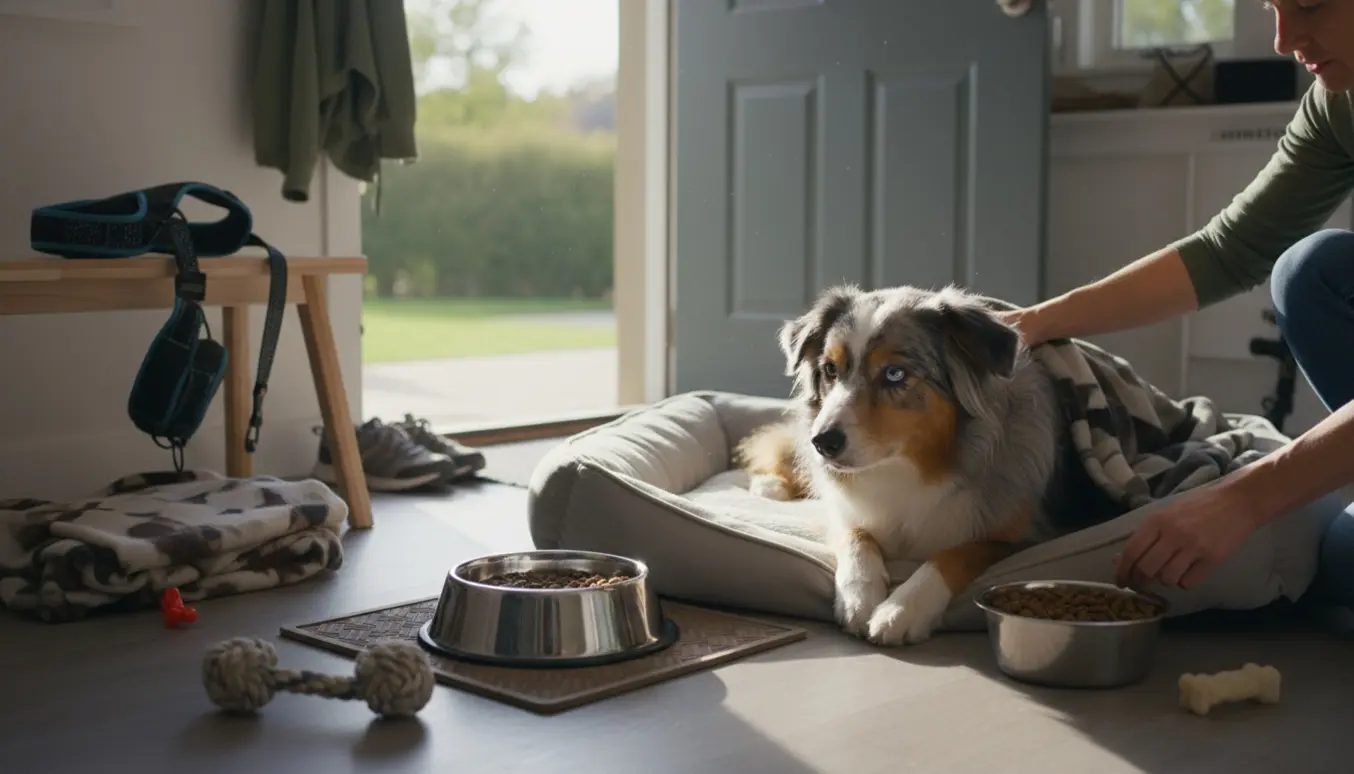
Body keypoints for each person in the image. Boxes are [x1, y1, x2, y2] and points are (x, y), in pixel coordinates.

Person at [998, 0, 1354, 604]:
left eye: (1308, 4)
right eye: (1272, 7)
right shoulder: (1338, 103)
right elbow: (1227, 250)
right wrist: (1033, 322)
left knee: (1342, 569)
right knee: (1310, 271)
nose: (1282, 39)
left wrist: (1243, 498)